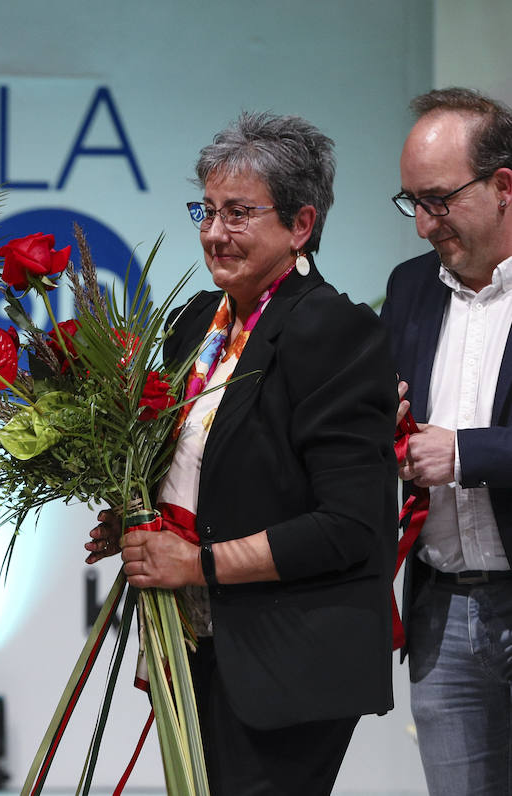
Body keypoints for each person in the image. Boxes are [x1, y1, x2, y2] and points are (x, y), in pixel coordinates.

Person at [86, 112, 397, 794]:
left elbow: (350, 527)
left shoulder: (335, 332)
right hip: (198, 642)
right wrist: (139, 521)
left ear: (300, 226)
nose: (214, 233)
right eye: (207, 210)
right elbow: (201, 468)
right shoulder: (197, 320)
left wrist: (194, 561)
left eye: (238, 213)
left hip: (291, 658)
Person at [383, 87, 512, 796]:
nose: (423, 225)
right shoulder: (409, 289)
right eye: (411, 202)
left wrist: (465, 453)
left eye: (437, 200)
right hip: (439, 605)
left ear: (502, 187)